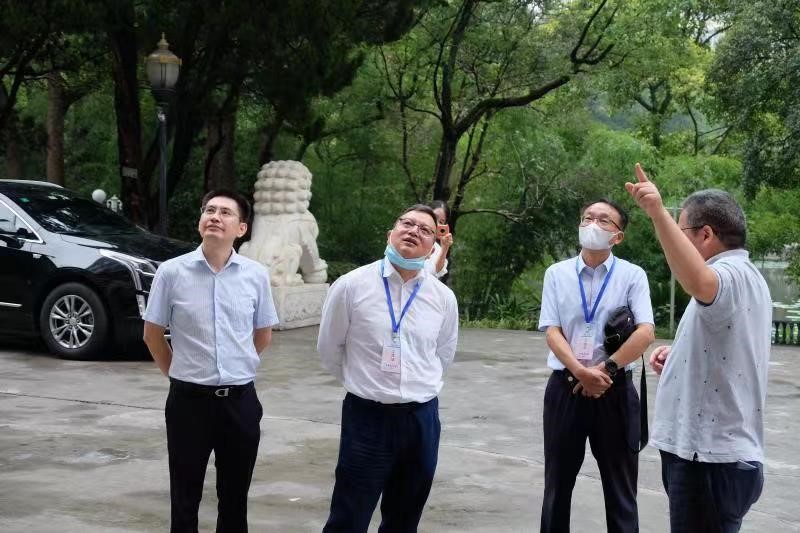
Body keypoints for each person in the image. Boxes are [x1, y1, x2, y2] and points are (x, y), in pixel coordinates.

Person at [626, 164, 771, 533]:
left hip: (709, 459)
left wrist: (658, 213)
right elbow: (727, 347)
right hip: (711, 457)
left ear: (706, 234)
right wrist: (679, 356)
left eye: (682, 231)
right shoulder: (744, 278)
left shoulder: (729, 276)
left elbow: (699, 282)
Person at [143, 189, 279, 533]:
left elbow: (263, 334)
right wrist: (179, 374)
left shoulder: (256, 275)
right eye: (210, 210)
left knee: (235, 497)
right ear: (200, 220)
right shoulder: (172, 272)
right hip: (188, 403)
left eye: (226, 212)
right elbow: (153, 334)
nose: (215, 217)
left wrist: (237, 364)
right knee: (184, 495)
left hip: (240, 401)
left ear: (242, 228)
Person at [317, 204, 459, 533]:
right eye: (406, 224)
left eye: (425, 230)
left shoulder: (442, 297)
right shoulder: (351, 286)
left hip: (421, 419)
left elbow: (443, 353)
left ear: (433, 247)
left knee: (404, 517)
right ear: (390, 234)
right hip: (368, 418)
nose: (413, 231)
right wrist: (366, 384)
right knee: (349, 515)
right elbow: (329, 347)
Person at [538, 198, 655, 533]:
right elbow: (552, 330)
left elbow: (645, 332)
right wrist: (580, 372)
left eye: (603, 220)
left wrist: (606, 371)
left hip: (614, 390)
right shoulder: (557, 274)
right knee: (557, 486)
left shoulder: (632, 275)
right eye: (587, 217)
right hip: (566, 388)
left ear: (618, 236)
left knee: (621, 490)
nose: (592, 224)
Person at [425, 200, 453, 279]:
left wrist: (445, 248)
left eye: (441, 222)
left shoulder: (438, 250)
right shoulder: (410, 234)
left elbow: (435, 271)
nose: (436, 223)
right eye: (434, 217)